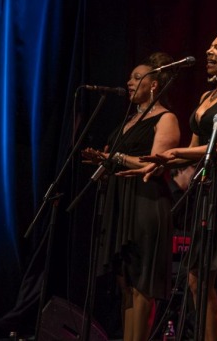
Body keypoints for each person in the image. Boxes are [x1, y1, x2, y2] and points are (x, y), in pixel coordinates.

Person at [121, 26, 217, 341]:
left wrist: (175, 153)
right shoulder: (206, 97)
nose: (209, 51)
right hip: (210, 188)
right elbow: (194, 151)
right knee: (197, 277)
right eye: (210, 46)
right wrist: (157, 163)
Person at [81, 52, 182, 341]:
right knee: (125, 282)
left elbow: (154, 163)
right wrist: (102, 160)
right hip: (121, 203)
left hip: (146, 201)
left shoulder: (166, 118)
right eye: (130, 77)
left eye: (137, 78)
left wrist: (115, 157)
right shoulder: (129, 120)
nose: (129, 82)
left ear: (154, 84)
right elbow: (117, 158)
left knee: (142, 284)